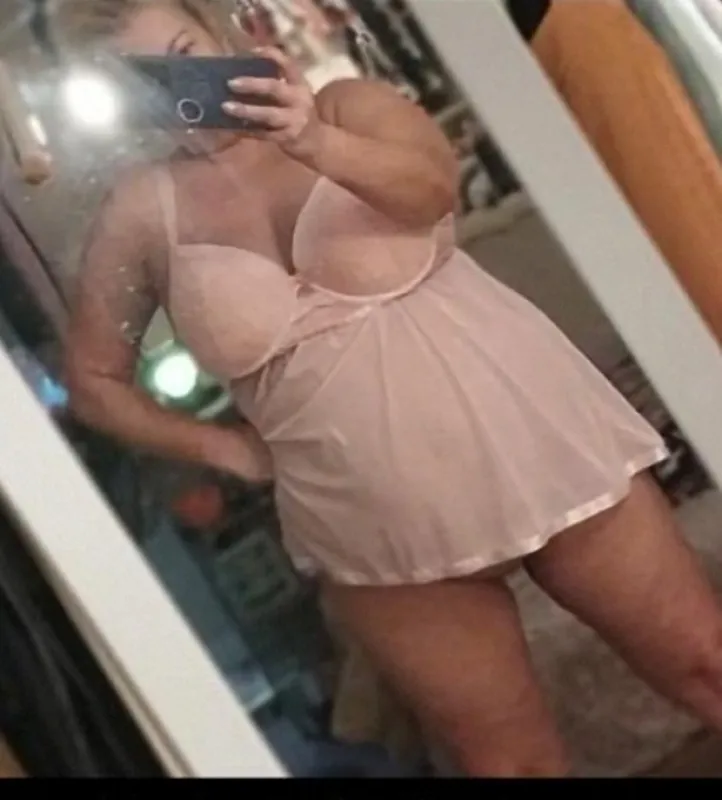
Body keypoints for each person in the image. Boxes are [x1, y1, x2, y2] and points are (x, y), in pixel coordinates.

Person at [54, 0, 722, 777]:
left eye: (183, 53)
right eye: (145, 79)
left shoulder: (346, 106)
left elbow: (432, 188)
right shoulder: (141, 210)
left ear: (218, 33)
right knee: (511, 766)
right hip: (366, 524)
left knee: (704, 661)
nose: (178, 86)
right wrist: (222, 448)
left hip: (532, 441)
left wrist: (312, 141)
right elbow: (92, 380)